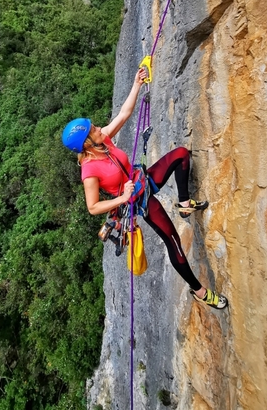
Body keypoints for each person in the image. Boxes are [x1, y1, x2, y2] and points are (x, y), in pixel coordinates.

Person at [62, 69, 228, 310]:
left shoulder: (104, 141)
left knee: (181, 155)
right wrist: (123, 197)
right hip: (139, 200)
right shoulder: (89, 170)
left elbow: (124, 114)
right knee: (173, 241)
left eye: (95, 126)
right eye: (93, 129)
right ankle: (200, 291)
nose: (98, 127)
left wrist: (136, 83)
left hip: (144, 179)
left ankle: (184, 205)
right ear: (87, 142)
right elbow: (93, 207)